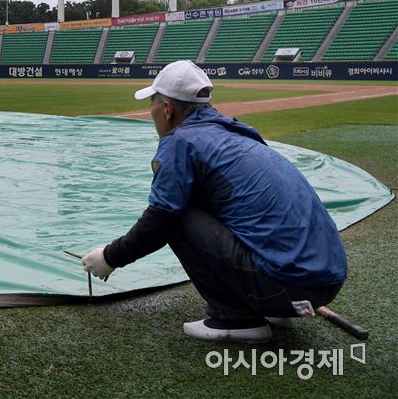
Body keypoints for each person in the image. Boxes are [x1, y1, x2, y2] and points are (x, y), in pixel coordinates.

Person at [81, 60, 346, 344]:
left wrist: (110, 257)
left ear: (168, 109)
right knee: (205, 204)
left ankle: (235, 318)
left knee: (177, 215)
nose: (152, 113)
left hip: (286, 288)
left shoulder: (180, 142)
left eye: (153, 106)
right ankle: (271, 304)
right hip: (324, 283)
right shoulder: (239, 133)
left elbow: (161, 219)